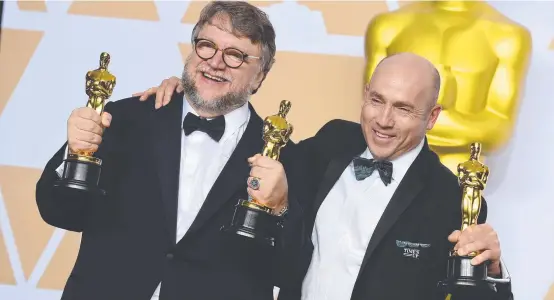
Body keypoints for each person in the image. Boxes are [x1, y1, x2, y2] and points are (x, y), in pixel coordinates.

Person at [135, 52, 513, 300]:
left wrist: (494, 272)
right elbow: (253, 151)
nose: (382, 120)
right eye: (376, 100)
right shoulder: (331, 142)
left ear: (432, 117)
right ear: (365, 94)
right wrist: (194, 100)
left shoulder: (450, 198)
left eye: (403, 109)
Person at [35, 2, 303, 300]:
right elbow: (59, 211)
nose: (215, 62)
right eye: (206, 45)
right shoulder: (123, 119)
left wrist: (281, 209)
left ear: (261, 74)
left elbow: (289, 271)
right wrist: (74, 155)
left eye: (235, 55)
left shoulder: (285, 160)